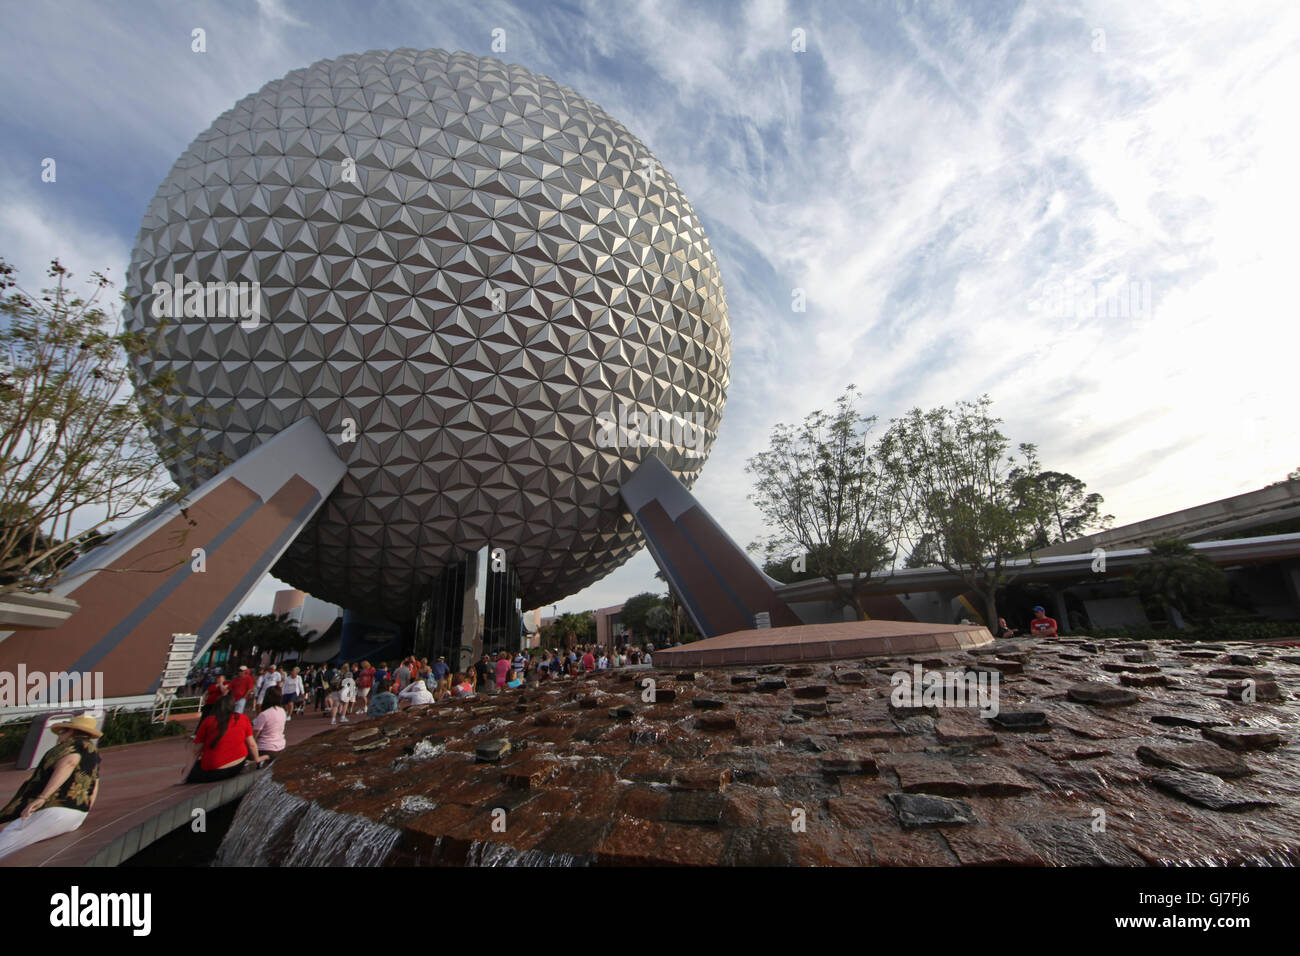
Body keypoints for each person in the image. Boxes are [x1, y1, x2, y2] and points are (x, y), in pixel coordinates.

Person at [0, 715, 102, 861]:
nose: (59, 737)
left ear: (70, 732)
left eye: (62, 732)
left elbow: (70, 763)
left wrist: (42, 798)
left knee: (12, 833)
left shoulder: (71, 746)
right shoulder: (93, 753)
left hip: (55, 809)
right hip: (77, 815)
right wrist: (85, 809)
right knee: (22, 840)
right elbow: (95, 783)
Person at [184, 695, 267, 783]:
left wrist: (185, 776)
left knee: (192, 771)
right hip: (238, 764)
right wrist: (257, 759)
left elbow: (195, 751)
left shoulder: (209, 721)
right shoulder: (242, 718)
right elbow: (251, 744)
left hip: (215, 770)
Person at [252, 686, 287, 761]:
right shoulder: (282, 711)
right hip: (281, 745)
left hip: (265, 748)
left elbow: (255, 735)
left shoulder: (264, 714)